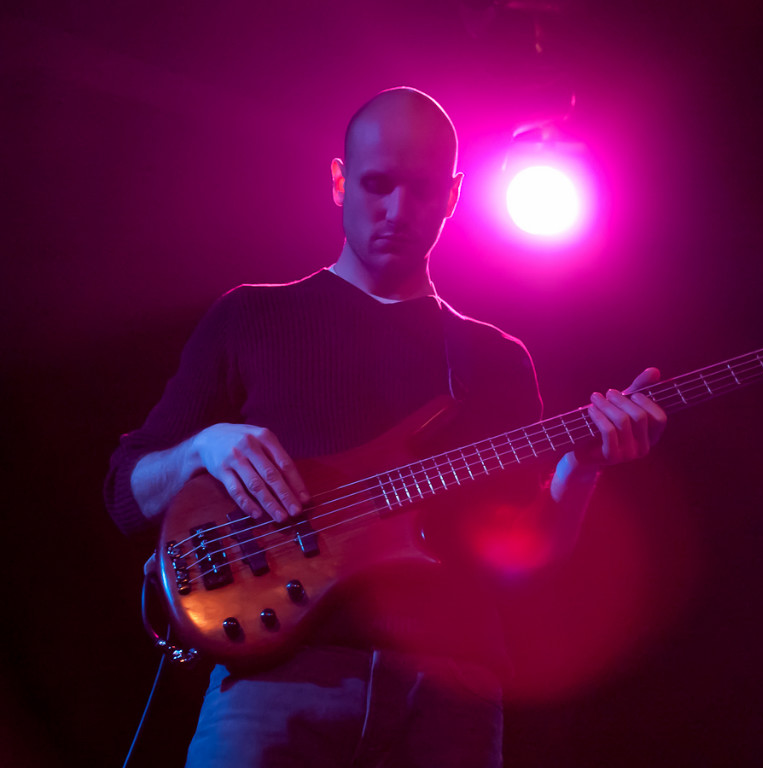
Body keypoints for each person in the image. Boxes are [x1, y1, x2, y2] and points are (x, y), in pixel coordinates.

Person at [106, 86, 666, 767]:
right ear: (339, 181)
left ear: (453, 196)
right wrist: (203, 447)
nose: (399, 210)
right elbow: (125, 492)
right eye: (378, 184)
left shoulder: (495, 358)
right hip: (277, 683)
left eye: (423, 190)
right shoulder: (250, 317)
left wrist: (584, 468)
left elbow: (527, 552)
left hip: (449, 695)